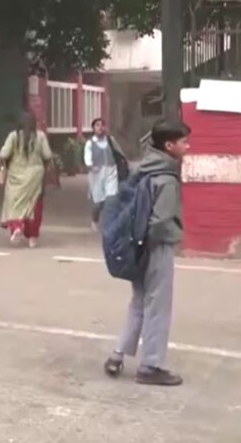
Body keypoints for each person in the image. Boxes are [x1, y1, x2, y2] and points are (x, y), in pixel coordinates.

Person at [103, 119, 190, 387]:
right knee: (158, 307)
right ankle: (152, 365)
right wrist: (175, 237)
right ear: (169, 145)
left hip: (136, 246)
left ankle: (117, 355)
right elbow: (161, 223)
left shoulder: (146, 166)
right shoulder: (167, 178)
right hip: (156, 248)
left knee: (139, 302)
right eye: (183, 141)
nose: (187, 146)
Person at [0, 111, 53, 248]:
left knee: (14, 203)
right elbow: (47, 155)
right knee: (34, 206)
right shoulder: (40, 136)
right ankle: (32, 237)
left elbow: (4, 154)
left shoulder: (13, 136)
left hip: (16, 176)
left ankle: (17, 228)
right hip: (35, 176)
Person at [85, 118, 129, 230]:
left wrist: (124, 163)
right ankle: (95, 219)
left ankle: (110, 222)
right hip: (97, 174)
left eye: (102, 125)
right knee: (98, 202)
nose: (100, 127)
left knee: (111, 198)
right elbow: (87, 158)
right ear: (93, 128)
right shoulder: (90, 143)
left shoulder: (110, 140)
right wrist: (91, 166)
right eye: (97, 125)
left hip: (111, 171)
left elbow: (119, 153)